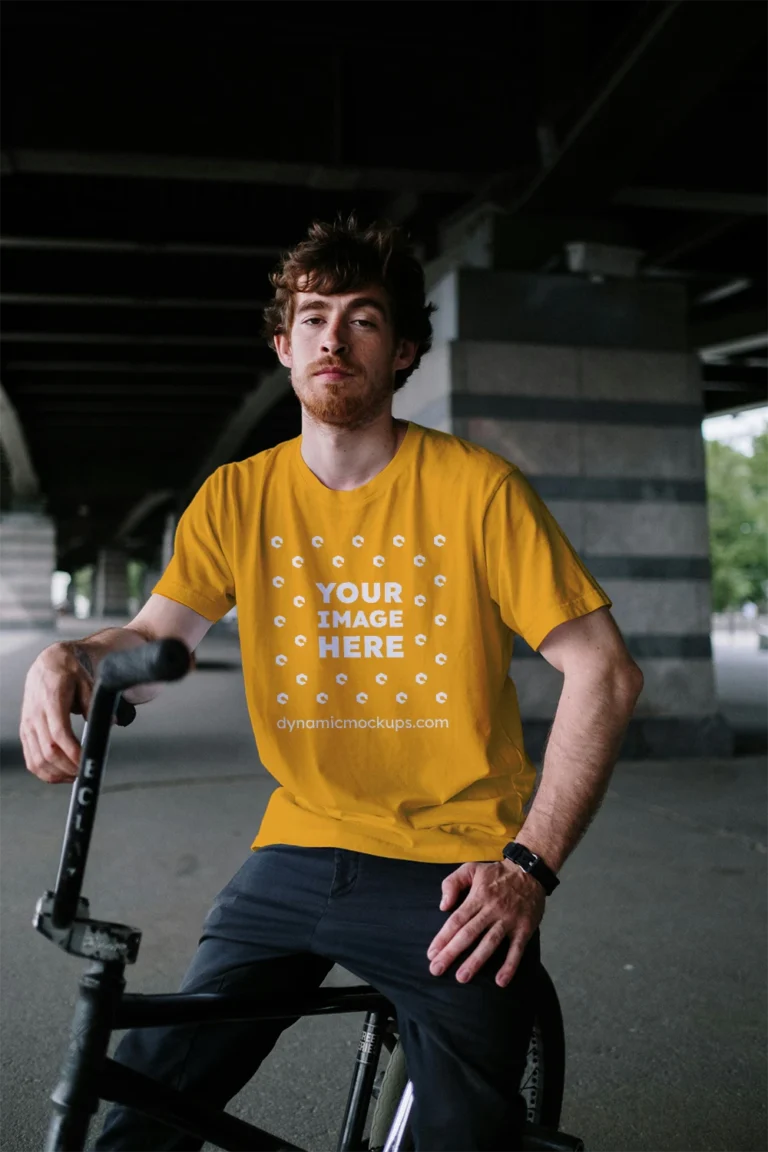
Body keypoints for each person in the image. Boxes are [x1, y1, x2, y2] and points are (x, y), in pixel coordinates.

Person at [21, 215, 644, 1152]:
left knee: (461, 1136)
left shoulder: (478, 490)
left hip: (454, 865)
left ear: (402, 352)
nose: (333, 337)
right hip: (299, 845)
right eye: (313, 317)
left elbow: (605, 670)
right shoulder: (238, 496)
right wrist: (66, 659)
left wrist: (528, 868)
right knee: (142, 1099)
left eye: (362, 319)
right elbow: (158, 644)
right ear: (283, 345)